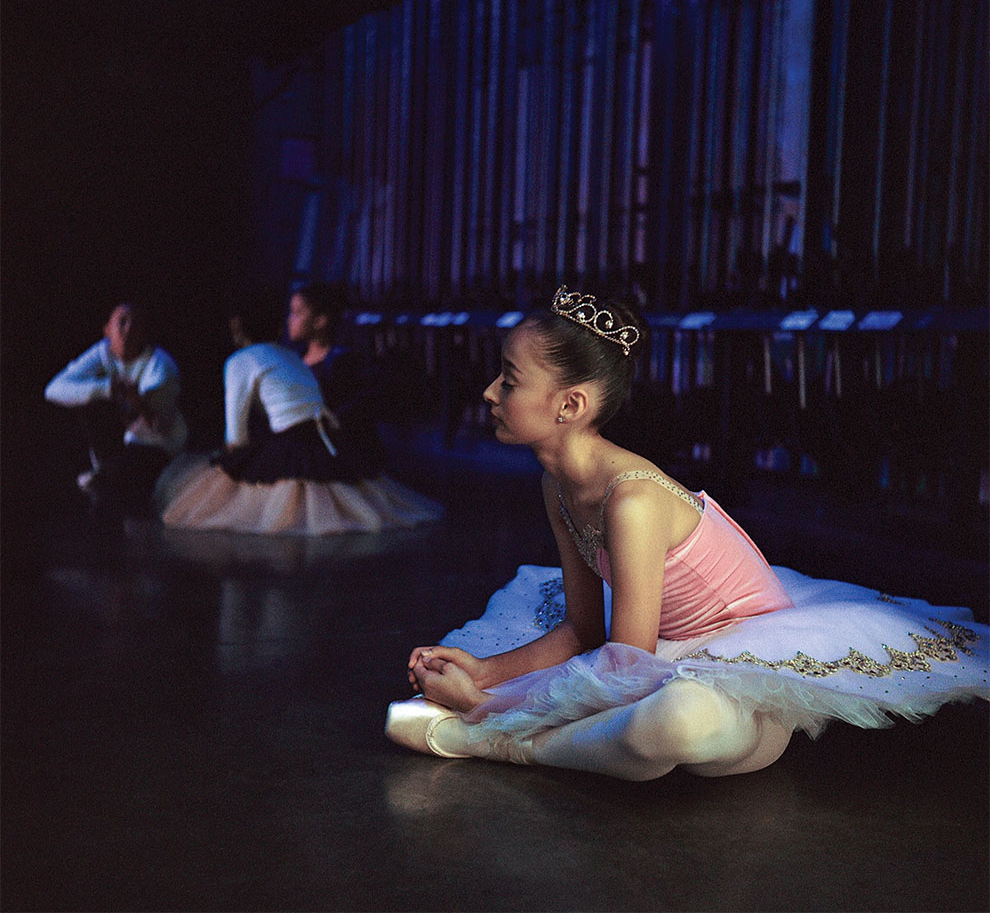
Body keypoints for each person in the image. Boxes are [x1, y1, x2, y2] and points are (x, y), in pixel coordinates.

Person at [385, 285, 989, 780]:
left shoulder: (634, 501)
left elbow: (624, 666)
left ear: (569, 406)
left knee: (669, 723)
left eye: (509, 380)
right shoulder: (558, 484)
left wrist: (490, 706)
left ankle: (495, 741)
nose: (490, 391)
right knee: (646, 722)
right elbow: (585, 629)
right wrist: (485, 668)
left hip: (740, 659)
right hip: (658, 649)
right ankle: (515, 736)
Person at [156, 291, 441, 535]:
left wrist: (233, 455)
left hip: (292, 437)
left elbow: (237, 432)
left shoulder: (240, 361)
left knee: (235, 474)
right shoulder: (290, 355)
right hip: (325, 439)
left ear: (236, 326)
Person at [45, 302, 188, 513]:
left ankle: (111, 476)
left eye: (135, 324)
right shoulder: (103, 353)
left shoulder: (160, 366)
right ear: (107, 331)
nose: (128, 329)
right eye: (122, 322)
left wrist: (135, 400)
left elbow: (156, 425)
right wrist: (108, 388)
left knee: (122, 483)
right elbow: (53, 390)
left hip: (157, 444)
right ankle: (107, 471)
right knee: (91, 399)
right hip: (125, 441)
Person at [286, 282, 386, 476]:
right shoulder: (293, 359)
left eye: (297, 313)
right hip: (302, 448)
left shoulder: (342, 361)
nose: (290, 320)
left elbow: (357, 405)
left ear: (320, 320)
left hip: (332, 452)